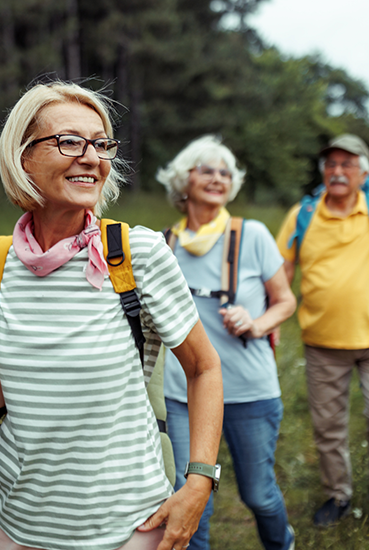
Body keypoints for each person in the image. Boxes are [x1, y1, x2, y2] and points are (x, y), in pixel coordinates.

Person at [0, 81, 224, 550]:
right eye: (69, 141)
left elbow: (204, 368)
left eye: (101, 144)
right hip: (17, 520)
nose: (91, 157)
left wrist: (200, 481)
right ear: (24, 157)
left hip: (126, 526)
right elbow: (17, 366)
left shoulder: (139, 254)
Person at [157, 135, 297, 550]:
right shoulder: (163, 245)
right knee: (190, 501)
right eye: (207, 170)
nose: (218, 178)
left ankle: (281, 544)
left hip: (249, 391)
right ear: (184, 181)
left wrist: (256, 323)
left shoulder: (252, 235)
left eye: (225, 172)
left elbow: (286, 301)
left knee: (258, 493)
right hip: (184, 395)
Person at [274, 134, 369, 527]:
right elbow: (281, 272)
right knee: (328, 426)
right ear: (324, 173)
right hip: (322, 341)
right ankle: (338, 494)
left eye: (347, 164)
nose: (338, 171)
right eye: (331, 164)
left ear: (364, 173)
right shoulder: (302, 213)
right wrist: (272, 321)